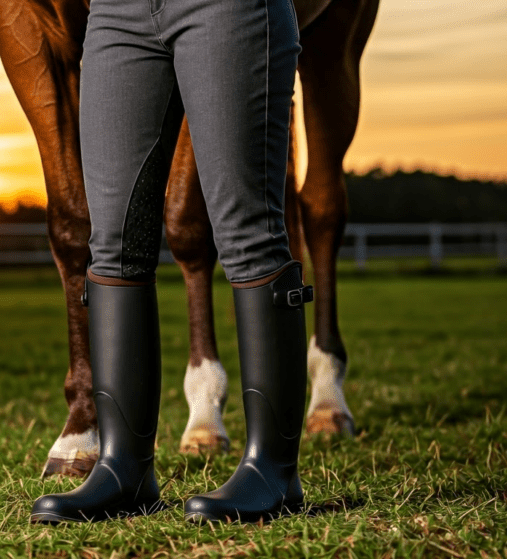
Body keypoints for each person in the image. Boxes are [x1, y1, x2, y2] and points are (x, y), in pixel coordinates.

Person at [30, 0, 310, 524]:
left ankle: (273, 470)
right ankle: (123, 470)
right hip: (118, 14)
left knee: (247, 233)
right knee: (112, 242)